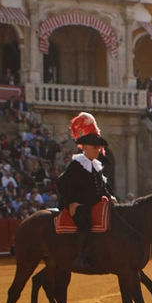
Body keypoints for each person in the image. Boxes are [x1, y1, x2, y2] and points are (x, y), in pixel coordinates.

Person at [57, 112, 111, 270]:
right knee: (85, 219)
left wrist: (109, 197)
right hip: (78, 205)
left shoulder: (95, 166)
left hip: (93, 203)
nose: (97, 151)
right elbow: (62, 182)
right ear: (86, 148)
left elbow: (102, 188)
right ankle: (81, 255)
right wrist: (71, 202)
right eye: (95, 148)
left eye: (98, 148)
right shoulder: (77, 164)